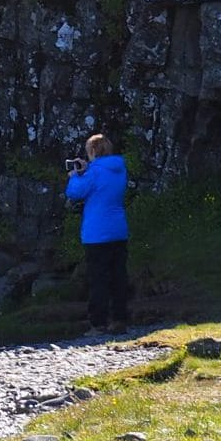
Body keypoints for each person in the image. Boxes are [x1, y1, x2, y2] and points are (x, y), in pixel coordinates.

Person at [63, 133, 131, 334]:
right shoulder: (119, 170)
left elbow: (74, 193)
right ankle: (119, 320)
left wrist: (75, 176)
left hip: (97, 234)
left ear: (92, 151)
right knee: (119, 276)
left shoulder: (93, 173)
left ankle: (98, 323)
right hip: (119, 230)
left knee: (99, 279)